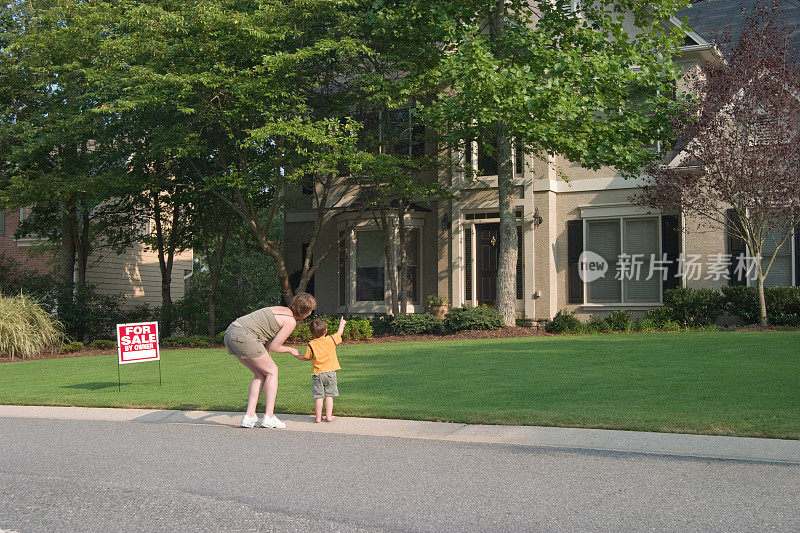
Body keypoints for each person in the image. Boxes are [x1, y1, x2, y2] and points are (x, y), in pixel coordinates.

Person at [224, 293, 316, 429]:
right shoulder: (290, 321)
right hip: (244, 336)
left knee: (260, 374)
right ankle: (269, 417)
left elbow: (265, 337)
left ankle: (249, 417)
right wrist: (291, 350)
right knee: (272, 371)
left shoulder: (280, 309)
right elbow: (274, 347)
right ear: (306, 313)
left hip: (230, 333)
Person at [296, 316, 345, 423]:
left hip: (318, 374)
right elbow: (340, 332)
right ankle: (329, 416)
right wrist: (342, 323)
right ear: (326, 330)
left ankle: (318, 417)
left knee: (319, 397)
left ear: (312, 333)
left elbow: (307, 358)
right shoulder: (331, 339)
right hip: (330, 373)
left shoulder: (311, 344)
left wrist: (297, 355)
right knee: (329, 396)